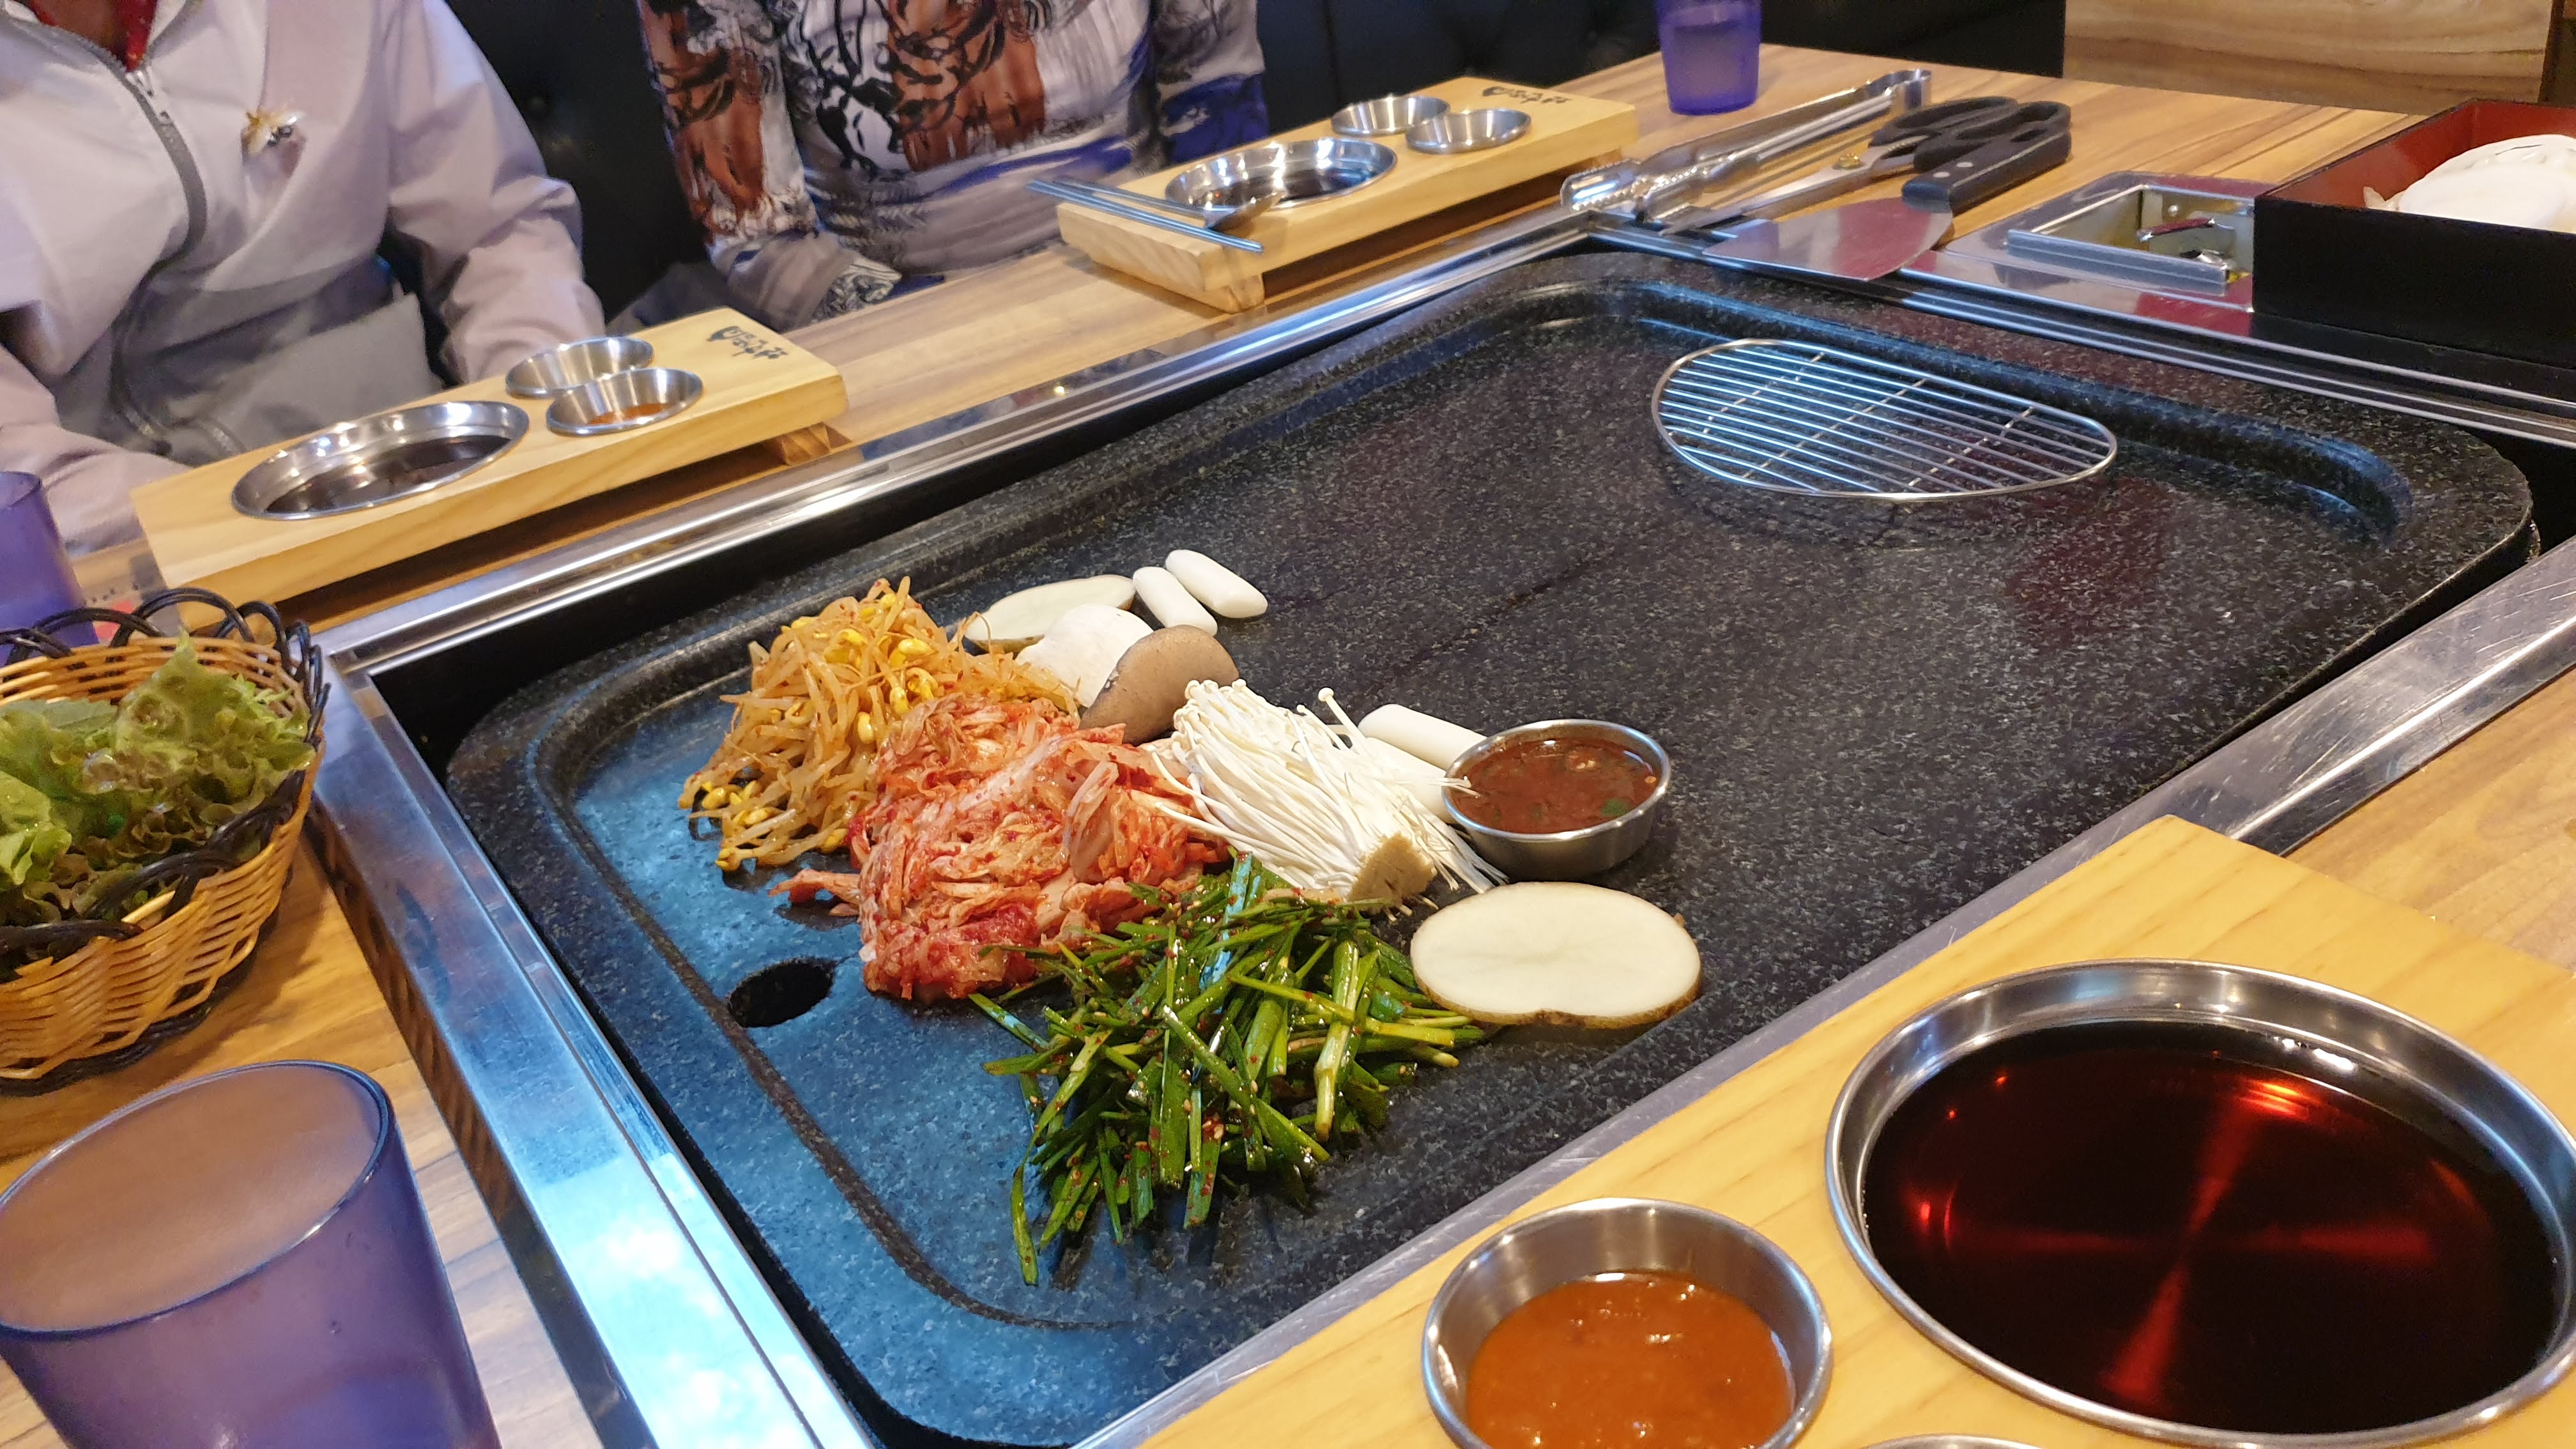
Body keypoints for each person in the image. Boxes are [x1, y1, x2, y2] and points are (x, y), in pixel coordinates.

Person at [0, 0, 606, 558]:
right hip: (144, 544)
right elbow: (15, 458)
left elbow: (499, 229)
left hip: (414, 452)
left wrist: (543, 424)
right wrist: (238, 541)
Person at [636, 0, 1266, 331]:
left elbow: (1215, 83)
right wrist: (962, 336)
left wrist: (1204, 255)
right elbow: (759, 238)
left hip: (1160, 268)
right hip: (897, 323)